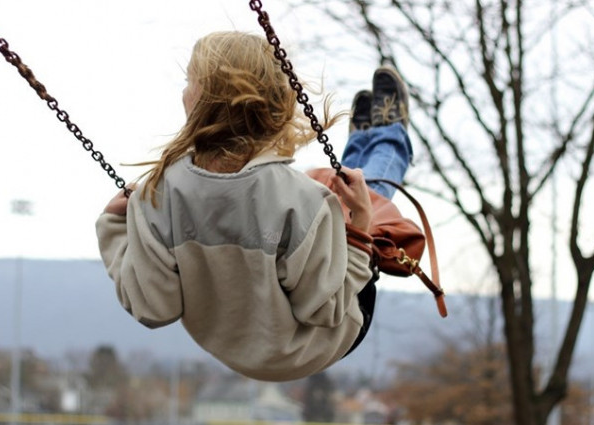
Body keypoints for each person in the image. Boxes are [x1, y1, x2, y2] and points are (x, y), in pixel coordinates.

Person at [95, 31, 411, 382]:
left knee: (332, 195)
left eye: (189, 80)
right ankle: (387, 134)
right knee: (364, 202)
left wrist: (113, 226)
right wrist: (362, 224)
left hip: (235, 351)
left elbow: (154, 308)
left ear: (207, 98)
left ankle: (367, 139)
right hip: (317, 344)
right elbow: (326, 310)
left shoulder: (156, 195)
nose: (182, 91)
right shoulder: (302, 200)